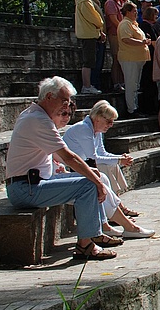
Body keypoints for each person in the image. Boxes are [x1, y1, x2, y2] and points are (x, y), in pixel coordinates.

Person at [4, 76, 117, 260]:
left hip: (32, 183)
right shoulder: (38, 120)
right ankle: (85, 246)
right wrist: (95, 180)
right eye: (64, 101)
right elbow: (68, 157)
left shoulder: (34, 115)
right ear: (49, 97)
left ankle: (95, 232)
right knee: (88, 184)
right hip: (25, 189)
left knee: (92, 177)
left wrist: (93, 175)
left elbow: (57, 155)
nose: (67, 107)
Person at [61, 100, 155, 238]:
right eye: (109, 121)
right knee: (101, 175)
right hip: (72, 169)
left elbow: (102, 153)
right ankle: (124, 223)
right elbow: (93, 158)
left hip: (82, 167)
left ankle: (114, 220)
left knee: (106, 171)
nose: (111, 125)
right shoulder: (83, 129)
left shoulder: (96, 129)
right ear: (98, 117)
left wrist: (118, 158)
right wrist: (118, 159)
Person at [117, 1, 151, 116]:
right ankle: (132, 109)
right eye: (134, 11)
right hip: (129, 59)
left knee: (135, 85)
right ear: (127, 12)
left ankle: (135, 106)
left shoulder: (133, 24)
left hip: (137, 59)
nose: (136, 13)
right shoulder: (125, 24)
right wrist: (142, 42)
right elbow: (125, 39)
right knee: (131, 85)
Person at [74, 0, 105, 95]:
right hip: (88, 35)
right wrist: (100, 24)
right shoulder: (85, 2)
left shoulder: (85, 0)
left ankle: (88, 85)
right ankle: (86, 85)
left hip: (90, 33)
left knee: (90, 61)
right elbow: (94, 18)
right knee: (88, 61)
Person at [104, 0, 127, 92]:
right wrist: (123, 29)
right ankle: (116, 83)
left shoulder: (121, 3)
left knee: (122, 59)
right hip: (114, 34)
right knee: (116, 58)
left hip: (122, 35)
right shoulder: (110, 3)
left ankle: (122, 81)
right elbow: (113, 19)